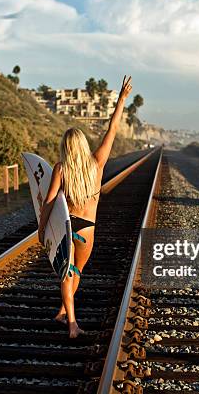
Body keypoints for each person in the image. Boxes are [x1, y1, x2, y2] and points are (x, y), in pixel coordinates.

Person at [38, 76, 133, 338]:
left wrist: (42, 228)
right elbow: (112, 130)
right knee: (76, 272)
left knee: (66, 275)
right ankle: (67, 318)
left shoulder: (61, 168)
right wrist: (121, 100)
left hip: (69, 225)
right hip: (88, 229)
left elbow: (48, 202)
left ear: (66, 148)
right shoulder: (97, 164)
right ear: (82, 146)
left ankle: (68, 320)